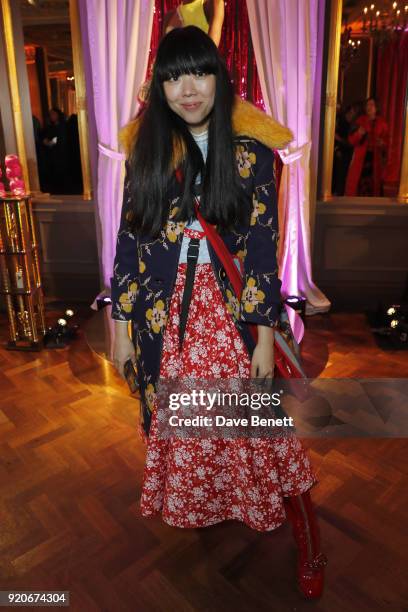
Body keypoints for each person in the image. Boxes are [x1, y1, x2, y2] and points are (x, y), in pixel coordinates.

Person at [111, 26, 327, 599]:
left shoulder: (251, 154)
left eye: (199, 73)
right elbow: (129, 240)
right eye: (174, 75)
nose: (188, 89)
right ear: (159, 85)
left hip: (231, 315)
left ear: (218, 78)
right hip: (166, 319)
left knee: (264, 435)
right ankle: (213, 504)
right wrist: (121, 328)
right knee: (193, 432)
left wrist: (261, 337)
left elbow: (260, 244)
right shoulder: (148, 152)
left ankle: (309, 540)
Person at [345, 97, 389, 197]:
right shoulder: (359, 121)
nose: (369, 107)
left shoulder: (383, 124)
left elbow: (387, 144)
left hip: (375, 159)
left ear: (376, 108)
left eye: (371, 104)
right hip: (361, 158)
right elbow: (351, 140)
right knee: (358, 184)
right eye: (367, 105)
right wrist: (359, 134)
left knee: (374, 184)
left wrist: (382, 143)